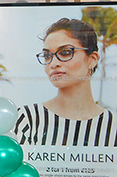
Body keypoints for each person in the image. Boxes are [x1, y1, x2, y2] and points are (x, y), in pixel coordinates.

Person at [15, 17, 115, 146]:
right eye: (47, 56)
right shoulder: (27, 120)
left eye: (66, 52)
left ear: (92, 59)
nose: (54, 63)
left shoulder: (113, 126)